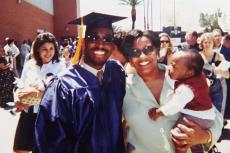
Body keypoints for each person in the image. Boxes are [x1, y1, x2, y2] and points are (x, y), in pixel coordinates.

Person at [35, 12, 127, 153]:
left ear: (112, 45)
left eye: (108, 38)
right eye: (93, 37)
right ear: (83, 42)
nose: (101, 44)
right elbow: (50, 142)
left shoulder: (117, 73)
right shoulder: (63, 85)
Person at [122, 29, 223, 153]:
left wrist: (206, 136)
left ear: (157, 51)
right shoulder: (122, 88)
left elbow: (214, 115)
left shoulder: (184, 75)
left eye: (148, 49)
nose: (142, 56)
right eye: (135, 52)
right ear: (129, 58)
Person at [148, 50, 215, 153]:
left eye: (173, 66)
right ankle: (198, 148)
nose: (169, 68)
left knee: (178, 134)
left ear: (189, 72)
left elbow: (175, 105)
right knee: (190, 139)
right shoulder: (197, 75)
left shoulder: (187, 89)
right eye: (170, 64)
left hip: (198, 117)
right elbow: (173, 79)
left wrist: (159, 112)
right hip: (205, 116)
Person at [13, 32, 66, 153]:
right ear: (37, 49)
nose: (48, 52)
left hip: (47, 116)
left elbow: (60, 92)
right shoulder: (30, 64)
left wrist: (38, 93)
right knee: (19, 149)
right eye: (44, 49)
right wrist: (17, 99)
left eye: (51, 48)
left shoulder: (60, 66)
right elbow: (20, 84)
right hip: (28, 113)